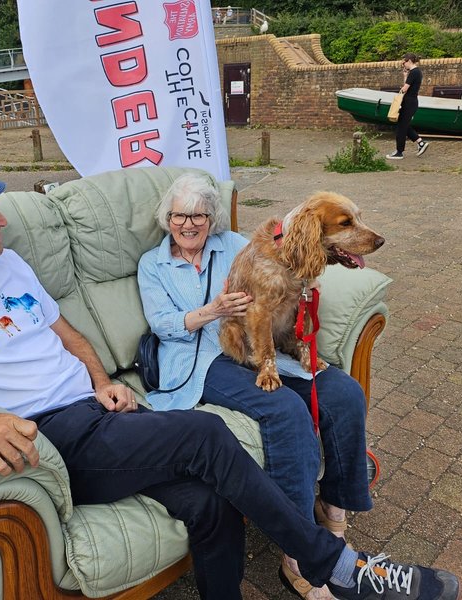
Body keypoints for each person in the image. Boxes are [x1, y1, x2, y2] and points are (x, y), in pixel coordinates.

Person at [0, 155, 462, 600]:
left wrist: (97, 377)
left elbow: (69, 334)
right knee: (204, 436)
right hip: (58, 440)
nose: (2, 220)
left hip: (102, 412)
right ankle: (340, 567)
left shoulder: (5, 266)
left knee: (211, 500)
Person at [138, 173, 374, 599]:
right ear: (166, 219)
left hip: (261, 348)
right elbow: (162, 325)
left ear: (211, 219)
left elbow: (284, 260)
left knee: (343, 392)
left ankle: (335, 511)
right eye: (179, 216)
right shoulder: (153, 265)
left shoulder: (231, 246)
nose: (189, 224)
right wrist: (209, 312)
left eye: (199, 215)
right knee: (283, 410)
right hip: (201, 358)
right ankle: (299, 551)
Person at [387, 53, 429, 160]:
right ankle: (420, 143)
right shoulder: (416, 72)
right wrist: (405, 76)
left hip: (409, 103)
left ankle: (399, 152)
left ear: (409, 60)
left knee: (401, 128)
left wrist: (399, 94)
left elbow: (405, 88)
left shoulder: (414, 72)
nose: (403, 64)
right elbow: (409, 85)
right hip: (411, 103)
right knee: (404, 125)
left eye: (404, 62)